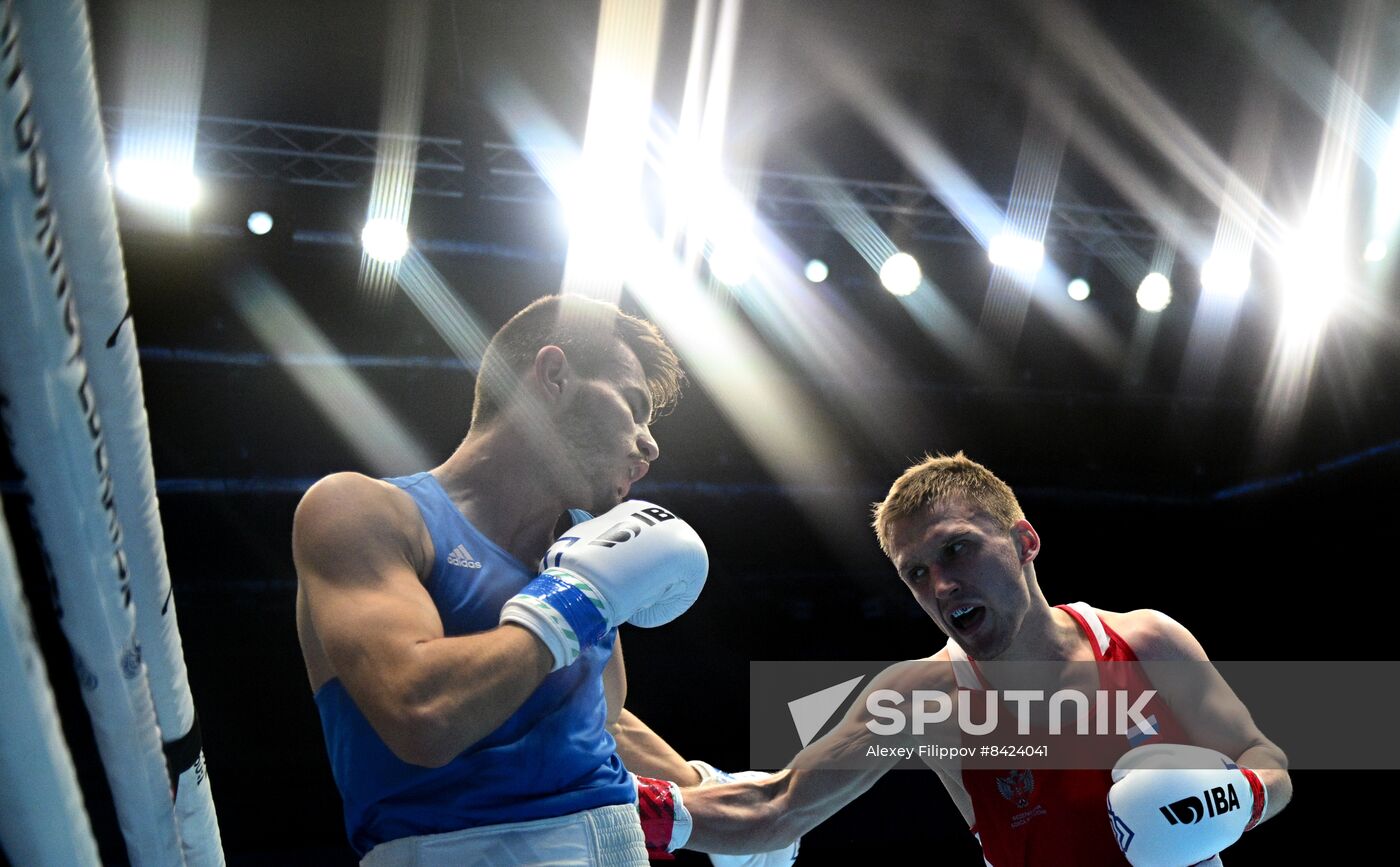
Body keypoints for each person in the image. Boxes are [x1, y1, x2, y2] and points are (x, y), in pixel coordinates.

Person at [293, 294, 768, 865]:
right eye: (632, 404)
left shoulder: (581, 556)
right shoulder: (365, 510)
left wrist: (725, 798)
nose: (650, 442)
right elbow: (422, 717)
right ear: (554, 374)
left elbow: (605, 720)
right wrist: (575, 602)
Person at [676, 452, 1292, 866]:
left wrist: (1232, 800)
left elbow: (1266, 760)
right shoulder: (919, 701)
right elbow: (777, 807)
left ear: (1025, 542)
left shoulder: (1148, 643)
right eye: (916, 572)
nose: (940, 587)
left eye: (958, 551)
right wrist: (630, 810)